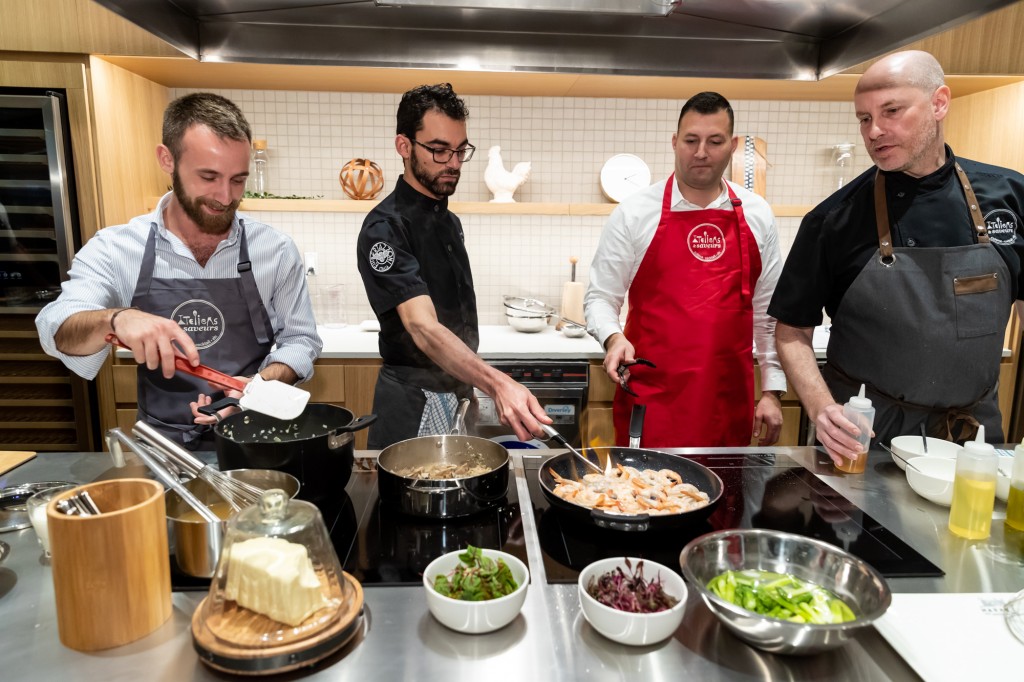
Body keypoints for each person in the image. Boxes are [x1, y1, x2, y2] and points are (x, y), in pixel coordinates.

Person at [769, 50, 1024, 467]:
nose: (874, 131)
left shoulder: (1011, 196)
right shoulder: (834, 219)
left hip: (974, 441)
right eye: (864, 119)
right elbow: (791, 329)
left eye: (891, 111)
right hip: (865, 439)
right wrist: (820, 408)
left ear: (939, 102)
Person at [36, 92, 321, 447]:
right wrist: (116, 319)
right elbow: (57, 328)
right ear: (167, 160)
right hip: (160, 449)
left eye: (238, 179)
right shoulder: (117, 247)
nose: (225, 196)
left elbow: (300, 339)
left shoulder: (273, 250)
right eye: (208, 176)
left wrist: (254, 390)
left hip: (253, 438)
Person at [585, 91, 786, 448]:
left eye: (715, 141)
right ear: (675, 142)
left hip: (727, 403)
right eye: (691, 140)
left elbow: (769, 315)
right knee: (645, 499)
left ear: (733, 144)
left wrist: (772, 391)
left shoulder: (758, 214)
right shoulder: (634, 213)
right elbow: (601, 297)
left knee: (725, 501)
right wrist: (613, 338)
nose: (701, 152)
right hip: (651, 401)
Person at [356, 83, 550, 449]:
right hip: (413, 404)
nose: (455, 163)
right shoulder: (386, 228)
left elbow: (452, 320)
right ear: (404, 146)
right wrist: (495, 383)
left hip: (454, 394)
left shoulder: (449, 222)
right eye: (440, 150)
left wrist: (466, 386)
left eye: (461, 150)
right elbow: (423, 327)